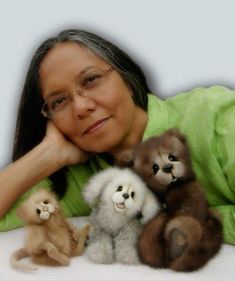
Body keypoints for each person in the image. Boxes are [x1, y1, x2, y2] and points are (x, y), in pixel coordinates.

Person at [0, 29, 234, 246]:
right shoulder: (87, 181)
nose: (81, 107)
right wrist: (47, 154)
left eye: (91, 80)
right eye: (58, 102)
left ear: (127, 79)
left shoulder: (214, 117)